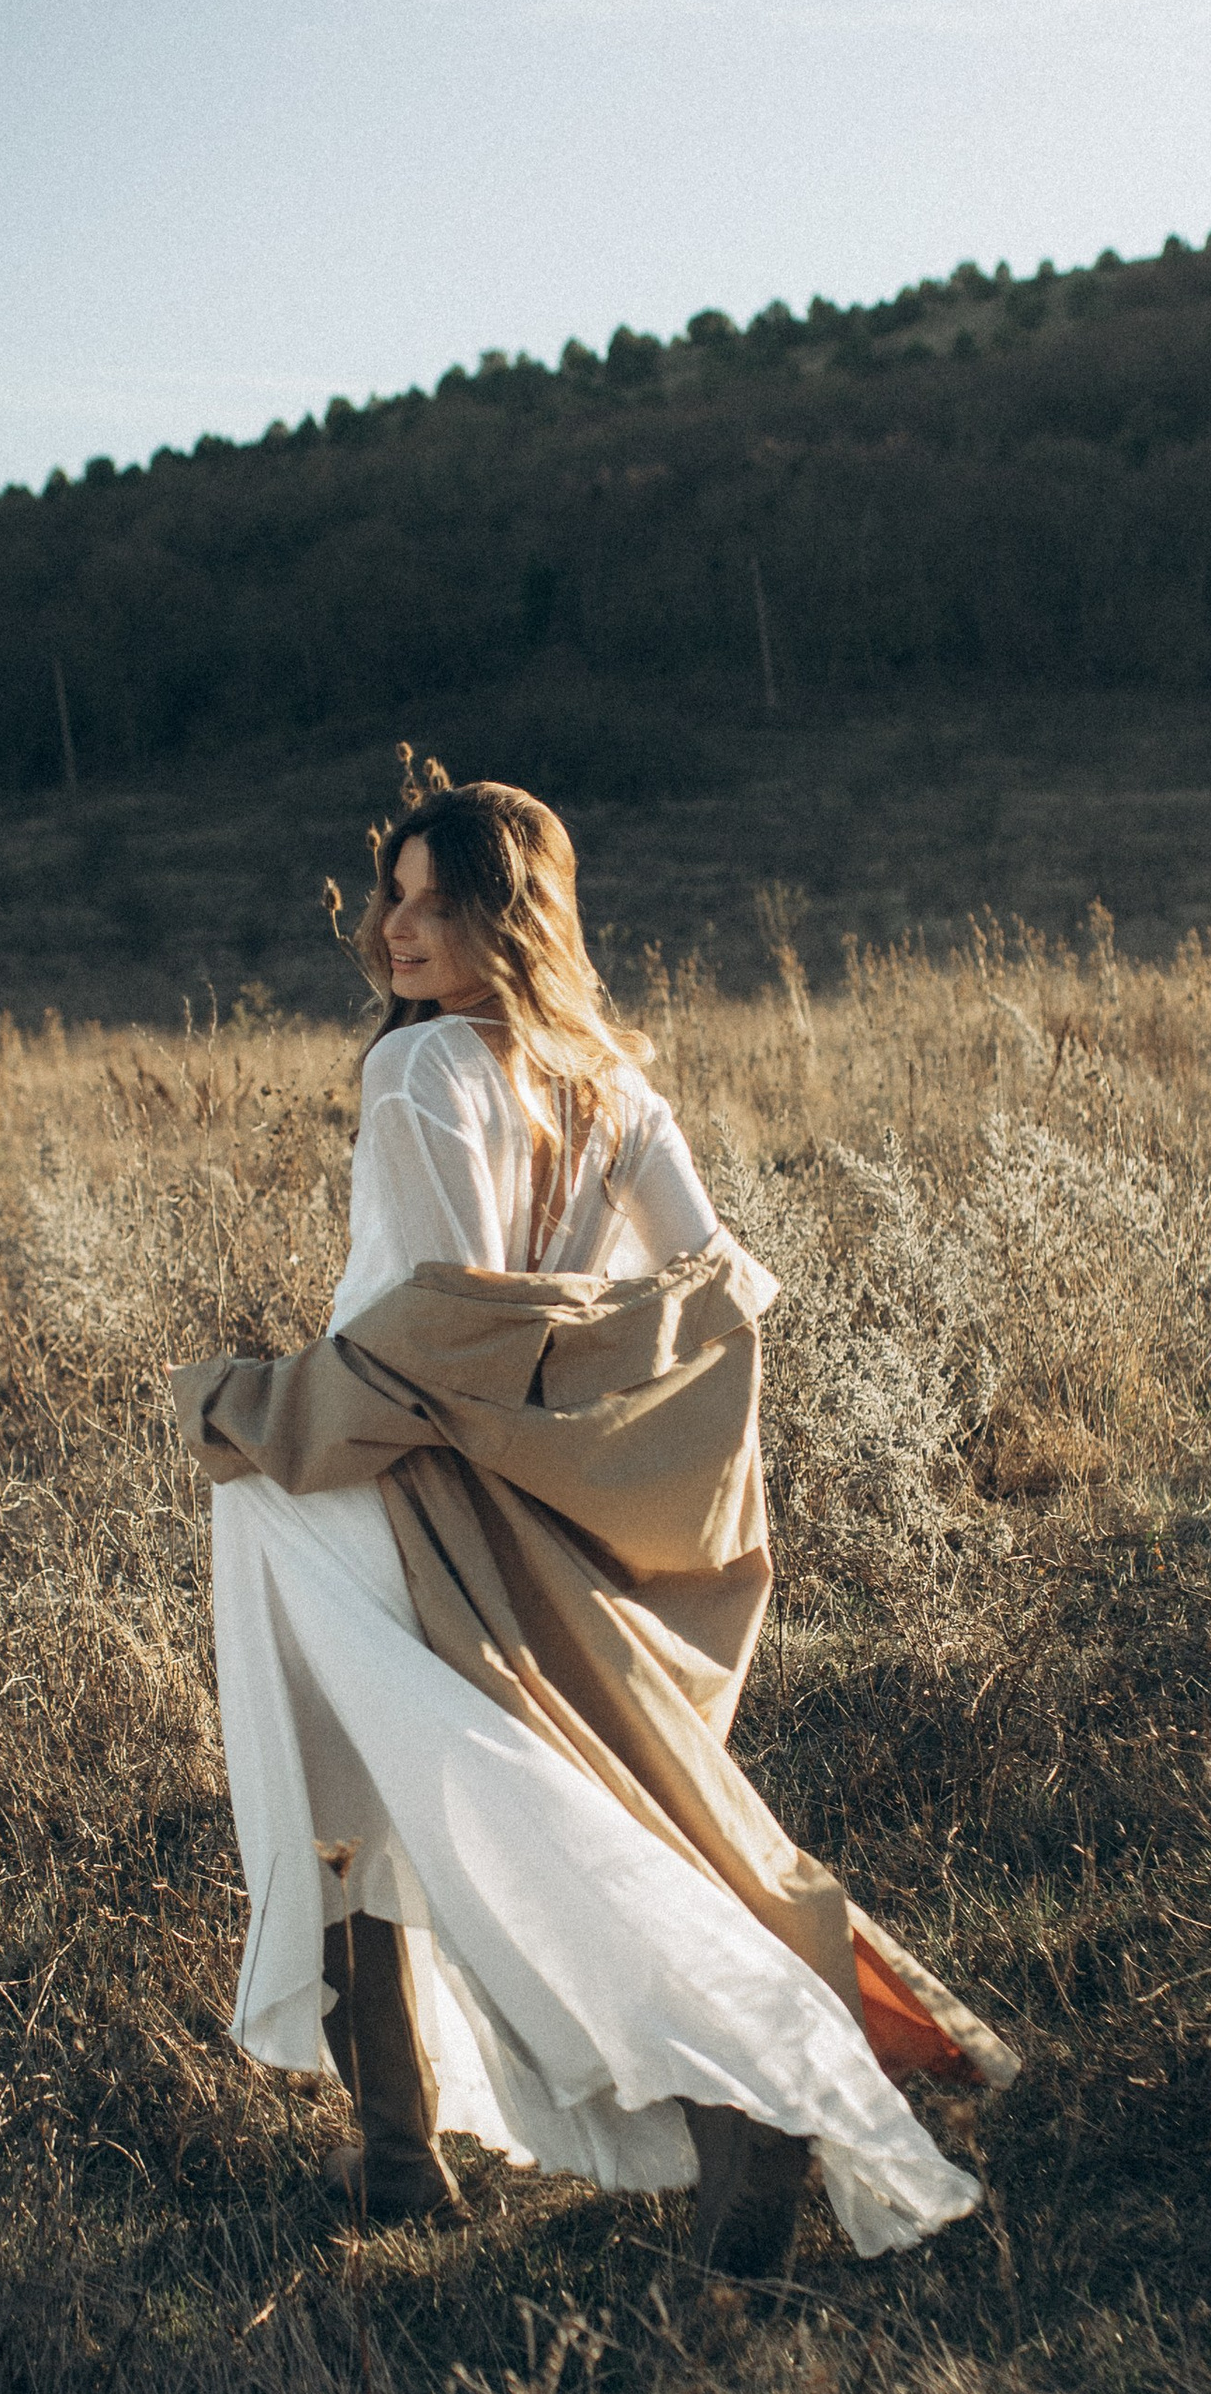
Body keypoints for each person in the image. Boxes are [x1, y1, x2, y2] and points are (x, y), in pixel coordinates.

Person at [169, 776, 1011, 2275]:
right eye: (394, 895)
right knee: (496, 1794)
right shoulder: (614, 1083)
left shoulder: (419, 1074)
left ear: (520, 914)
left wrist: (269, 1408)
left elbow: (439, 1323)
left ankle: (671, 2110)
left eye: (441, 901)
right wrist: (588, 1408)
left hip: (378, 1476)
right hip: (511, 1493)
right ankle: (412, 2157)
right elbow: (721, 1285)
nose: (398, 930)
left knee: (402, 1803)